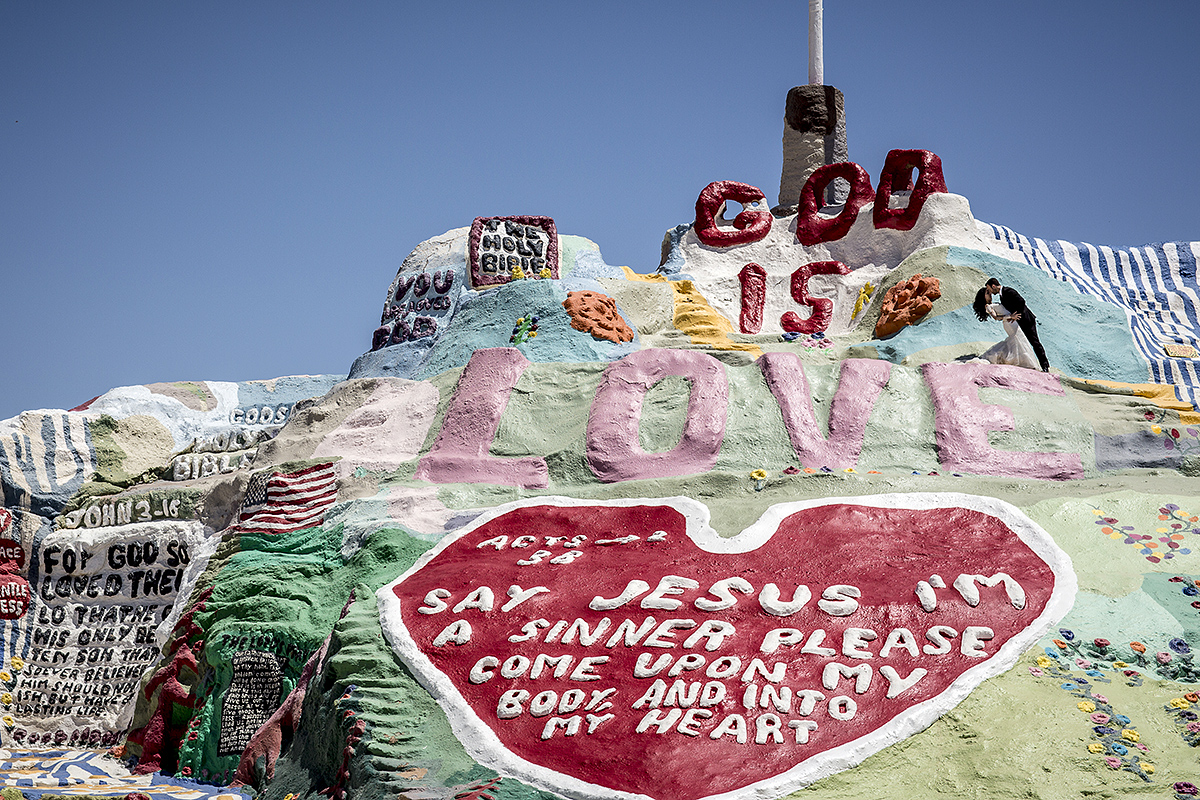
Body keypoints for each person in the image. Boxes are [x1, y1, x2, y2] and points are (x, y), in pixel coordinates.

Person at [975, 278, 1050, 372]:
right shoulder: (1001, 296)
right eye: (987, 292)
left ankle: (1045, 366)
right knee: (1022, 343)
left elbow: (1021, 302)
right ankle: (1028, 364)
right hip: (1015, 322)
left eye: (989, 289)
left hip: (1026, 320)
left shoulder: (1008, 291)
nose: (989, 292)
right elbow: (999, 314)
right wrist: (1011, 316)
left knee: (1034, 342)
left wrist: (1015, 315)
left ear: (993, 286)